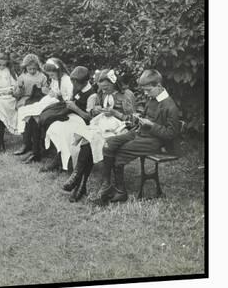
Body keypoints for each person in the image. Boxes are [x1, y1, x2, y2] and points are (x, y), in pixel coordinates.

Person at [92, 69, 180, 205]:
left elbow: (170, 134)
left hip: (153, 141)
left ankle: (121, 192)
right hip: (139, 132)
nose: (145, 93)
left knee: (119, 152)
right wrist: (138, 118)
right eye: (144, 90)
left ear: (158, 86)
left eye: (148, 90)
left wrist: (151, 125)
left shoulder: (169, 105)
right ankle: (107, 185)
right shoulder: (152, 99)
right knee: (109, 144)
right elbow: (144, 117)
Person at [65, 68, 136, 201]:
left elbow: (133, 121)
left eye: (107, 87)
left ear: (114, 83)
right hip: (102, 127)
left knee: (90, 140)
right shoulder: (101, 94)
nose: (104, 91)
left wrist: (116, 113)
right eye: (102, 88)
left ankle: (78, 179)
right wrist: (95, 110)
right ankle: (79, 181)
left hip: (120, 130)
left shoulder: (126, 95)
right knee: (90, 138)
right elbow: (93, 114)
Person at [17, 58, 72, 164]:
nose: (51, 77)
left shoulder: (66, 80)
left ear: (58, 71)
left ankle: (37, 152)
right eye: (50, 76)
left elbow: (69, 99)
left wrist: (56, 95)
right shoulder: (56, 79)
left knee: (37, 115)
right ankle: (34, 150)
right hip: (53, 102)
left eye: (52, 75)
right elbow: (54, 91)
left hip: (62, 107)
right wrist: (48, 92)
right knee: (29, 113)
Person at [12, 54, 48, 156]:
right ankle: (26, 143)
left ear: (38, 67)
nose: (32, 71)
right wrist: (19, 88)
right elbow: (16, 94)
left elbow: (46, 92)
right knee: (24, 114)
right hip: (25, 99)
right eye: (29, 69)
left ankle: (37, 143)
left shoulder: (42, 77)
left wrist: (42, 90)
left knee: (35, 114)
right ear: (25, 67)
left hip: (38, 100)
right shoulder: (22, 77)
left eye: (34, 68)